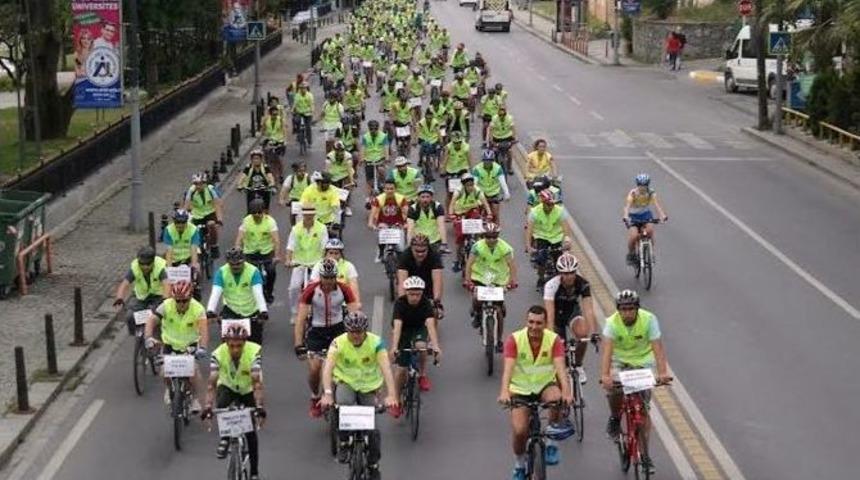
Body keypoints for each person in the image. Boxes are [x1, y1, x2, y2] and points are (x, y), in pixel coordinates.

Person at [319, 311, 399, 477]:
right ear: (347, 330)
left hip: (369, 386)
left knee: (373, 430)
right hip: (346, 382)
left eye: (359, 332)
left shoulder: (376, 343)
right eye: (352, 332)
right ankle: (343, 442)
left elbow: (386, 369)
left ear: (365, 331)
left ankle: (373, 464)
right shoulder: (337, 343)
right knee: (342, 405)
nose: (355, 335)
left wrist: (391, 394)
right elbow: (327, 369)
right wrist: (327, 393)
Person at [601, 290, 672, 475]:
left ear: (637, 309)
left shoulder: (649, 319)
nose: (627, 313)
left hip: (643, 364)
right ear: (618, 310)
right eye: (623, 309)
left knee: (643, 410)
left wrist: (663, 373)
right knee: (614, 392)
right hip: (619, 362)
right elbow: (607, 352)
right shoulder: (611, 323)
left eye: (631, 309)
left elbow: (658, 348)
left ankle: (645, 454)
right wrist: (605, 375)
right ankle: (615, 418)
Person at [498, 305, 573, 480]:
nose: (534, 326)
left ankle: (551, 444)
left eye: (539, 323)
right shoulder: (514, 340)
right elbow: (508, 369)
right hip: (520, 389)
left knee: (556, 400)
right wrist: (504, 392)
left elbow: (560, 368)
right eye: (531, 322)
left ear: (545, 324)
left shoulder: (553, 340)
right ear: (526, 322)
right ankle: (519, 464)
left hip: (545, 384)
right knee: (519, 431)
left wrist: (567, 392)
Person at [294, 259, 360, 418]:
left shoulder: (344, 289)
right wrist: (298, 344)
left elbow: (354, 315)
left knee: (343, 365)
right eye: (325, 278)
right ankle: (315, 396)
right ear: (320, 276)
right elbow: (301, 319)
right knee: (315, 368)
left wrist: (358, 338)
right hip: (317, 331)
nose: (329, 281)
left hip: (338, 330)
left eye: (332, 278)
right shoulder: (310, 290)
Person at [203, 324, 265, 480]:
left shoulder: (254, 351)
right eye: (231, 346)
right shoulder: (217, 354)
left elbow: (257, 383)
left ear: (245, 343)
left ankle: (254, 472)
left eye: (239, 346)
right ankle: (224, 439)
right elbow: (211, 384)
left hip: (247, 388)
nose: (235, 350)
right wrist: (208, 407)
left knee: (251, 433)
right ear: (226, 343)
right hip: (228, 385)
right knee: (222, 401)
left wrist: (259, 406)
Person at [145, 281, 210, 411]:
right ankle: (169, 389)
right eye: (178, 301)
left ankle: (195, 399)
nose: (181, 304)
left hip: (190, 346)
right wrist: (148, 337)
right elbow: (152, 320)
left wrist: (202, 347)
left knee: (194, 375)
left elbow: (204, 331)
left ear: (190, 298)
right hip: (170, 345)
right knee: (164, 373)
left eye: (184, 301)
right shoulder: (166, 305)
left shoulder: (198, 309)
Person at [543, 253, 600, 383]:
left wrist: (593, 333)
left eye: (571, 273)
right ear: (560, 273)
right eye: (565, 273)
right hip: (556, 315)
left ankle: (578, 365)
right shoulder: (551, 285)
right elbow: (550, 313)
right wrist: (550, 334)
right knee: (558, 347)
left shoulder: (583, 284)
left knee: (582, 333)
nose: (569, 276)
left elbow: (589, 310)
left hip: (571, 312)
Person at [464, 223, 518, 339]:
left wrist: (511, 282)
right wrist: (468, 280)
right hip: (480, 277)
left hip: (498, 278)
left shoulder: (505, 248)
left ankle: (499, 339)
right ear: (484, 236)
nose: (491, 240)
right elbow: (469, 264)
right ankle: (477, 314)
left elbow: (512, 266)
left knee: (499, 309)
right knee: (476, 297)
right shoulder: (477, 247)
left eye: (494, 237)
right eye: (488, 237)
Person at [206, 248, 269, 344]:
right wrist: (210, 310)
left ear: (244, 261)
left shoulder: (253, 271)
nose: (235, 267)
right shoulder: (221, 272)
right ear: (228, 263)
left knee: (255, 347)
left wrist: (263, 311)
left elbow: (258, 294)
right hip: (231, 311)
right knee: (227, 345)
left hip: (251, 312)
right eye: (232, 265)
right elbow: (215, 293)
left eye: (238, 264)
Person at [392, 277, 442, 393]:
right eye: (411, 294)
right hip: (404, 329)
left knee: (421, 346)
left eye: (418, 294)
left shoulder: (425, 304)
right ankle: (396, 399)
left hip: (419, 328)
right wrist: (394, 347)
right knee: (401, 370)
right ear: (406, 292)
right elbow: (397, 326)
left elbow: (430, 325)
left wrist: (435, 346)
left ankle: (422, 374)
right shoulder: (400, 304)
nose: (415, 297)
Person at [234, 198, 282, 304]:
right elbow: (239, 238)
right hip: (250, 253)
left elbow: (276, 240)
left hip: (267, 253)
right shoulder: (246, 221)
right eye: (254, 213)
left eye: (259, 212)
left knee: (271, 271)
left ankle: (269, 292)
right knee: (244, 274)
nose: (257, 215)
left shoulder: (270, 221)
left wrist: (276, 256)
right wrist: (237, 248)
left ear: (264, 211)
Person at [286, 207, 329, 324]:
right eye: (306, 215)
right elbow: (290, 246)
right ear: (302, 215)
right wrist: (288, 260)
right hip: (299, 263)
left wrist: (324, 261)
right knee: (294, 287)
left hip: (316, 263)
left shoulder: (322, 228)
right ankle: (295, 313)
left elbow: (325, 247)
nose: (308, 217)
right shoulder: (296, 229)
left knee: (319, 288)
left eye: (311, 215)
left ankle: (321, 311)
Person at [113, 246, 169, 335]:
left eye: (148, 264)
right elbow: (125, 284)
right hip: (141, 296)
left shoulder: (160, 267)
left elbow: (166, 284)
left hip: (158, 296)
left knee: (160, 314)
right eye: (142, 264)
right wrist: (119, 297)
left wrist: (165, 299)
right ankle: (135, 335)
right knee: (129, 316)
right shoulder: (135, 267)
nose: (145, 267)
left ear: (153, 261)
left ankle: (161, 335)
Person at [525, 190, 573, 286]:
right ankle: (541, 277)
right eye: (548, 204)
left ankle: (560, 281)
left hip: (556, 237)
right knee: (541, 259)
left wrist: (567, 243)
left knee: (559, 260)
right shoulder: (534, 212)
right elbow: (529, 230)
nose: (551, 207)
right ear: (543, 203)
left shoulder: (560, 211)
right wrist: (528, 246)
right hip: (541, 237)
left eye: (552, 204)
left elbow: (566, 230)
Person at [449, 173, 493, 271]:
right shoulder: (458, 192)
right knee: (460, 239)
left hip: (472, 211)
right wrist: (451, 215)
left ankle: (478, 249)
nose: (471, 187)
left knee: (479, 229)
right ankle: (458, 260)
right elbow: (451, 204)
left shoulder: (477, 191)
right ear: (464, 185)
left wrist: (489, 214)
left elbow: (485, 204)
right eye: (468, 185)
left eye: (472, 184)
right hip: (460, 214)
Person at [622, 173, 668, 265]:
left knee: (650, 231)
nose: (642, 188)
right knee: (634, 236)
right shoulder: (633, 193)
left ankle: (651, 253)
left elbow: (656, 204)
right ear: (637, 185)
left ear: (647, 185)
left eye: (644, 185)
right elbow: (627, 206)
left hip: (645, 215)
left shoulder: (651, 192)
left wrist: (662, 215)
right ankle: (631, 254)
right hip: (633, 216)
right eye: (640, 185)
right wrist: (626, 216)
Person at [310, 239, 361, 307]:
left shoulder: (349, 266)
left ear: (341, 254)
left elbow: (354, 286)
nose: (333, 256)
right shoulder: (319, 265)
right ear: (326, 253)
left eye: (336, 253)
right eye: (330, 253)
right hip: (322, 301)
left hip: (343, 302)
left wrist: (357, 302)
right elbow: (313, 284)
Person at [368, 178, 410, 261]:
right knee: (381, 233)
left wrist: (407, 223)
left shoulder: (401, 198)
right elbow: (373, 212)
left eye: (391, 189)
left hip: (397, 223)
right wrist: (370, 223)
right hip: (383, 223)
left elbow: (407, 212)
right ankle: (380, 252)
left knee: (401, 249)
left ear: (395, 189)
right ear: (384, 189)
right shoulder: (379, 199)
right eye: (387, 189)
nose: (389, 191)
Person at [185, 173, 224, 258]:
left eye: (201, 184)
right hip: (197, 215)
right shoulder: (191, 191)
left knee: (211, 225)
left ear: (205, 183)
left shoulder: (210, 190)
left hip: (210, 213)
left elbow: (218, 204)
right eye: (196, 184)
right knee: (191, 230)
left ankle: (214, 246)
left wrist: (220, 219)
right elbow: (186, 206)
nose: (198, 186)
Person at [406, 184, 449, 253]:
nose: (425, 199)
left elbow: (441, 226)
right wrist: (409, 246)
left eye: (427, 197)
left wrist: (444, 243)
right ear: (418, 197)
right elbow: (410, 229)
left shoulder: (437, 207)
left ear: (432, 197)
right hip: (419, 242)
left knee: (437, 262)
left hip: (435, 241)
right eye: (422, 197)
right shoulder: (413, 209)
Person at [472, 149, 510, 223]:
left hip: (494, 194)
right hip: (481, 194)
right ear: (483, 160)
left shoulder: (498, 168)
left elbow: (502, 182)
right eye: (486, 160)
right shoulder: (477, 169)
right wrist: (475, 195)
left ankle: (497, 230)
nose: (488, 162)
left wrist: (506, 193)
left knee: (495, 214)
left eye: (490, 161)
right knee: (477, 214)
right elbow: (474, 183)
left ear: (493, 161)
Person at [359, 120, 390, 201]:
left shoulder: (383, 136)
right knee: (369, 180)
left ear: (378, 128)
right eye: (371, 129)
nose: (373, 131)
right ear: (369, 129)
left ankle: (383, 184)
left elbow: (386, 147)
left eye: (375, 129)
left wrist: (386, 158)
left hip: (380, 159)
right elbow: (363, 148)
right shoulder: (365, 137)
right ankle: (368, 198)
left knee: (381, 170)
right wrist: (362, 159)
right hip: (369, 160)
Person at [326, 141, 356, 217]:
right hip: (334, 175)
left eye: (341, 150)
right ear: (334, 150)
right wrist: (327, 180)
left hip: (345, 173)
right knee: (333, 191)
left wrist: (352, 181)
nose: (340, 152)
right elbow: (327, 170)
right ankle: (334, 206)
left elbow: (349, 169)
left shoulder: (348, 156)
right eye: (337, 150)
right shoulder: (329, 156)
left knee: (347, 189)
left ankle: (347, 207)